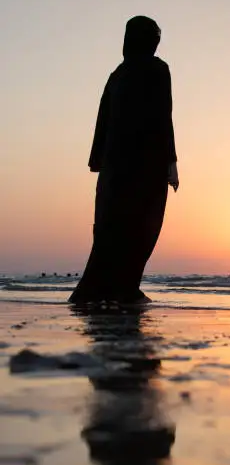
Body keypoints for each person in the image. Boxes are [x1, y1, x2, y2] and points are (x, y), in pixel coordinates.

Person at [69, 16, 178, 305]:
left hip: (116, 169)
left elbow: (102, 121)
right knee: (141, 225)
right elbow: (162, 117)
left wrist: (98, 162)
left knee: (112, 228)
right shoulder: (156, 70)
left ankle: (115, 288)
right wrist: (171, 161)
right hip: (144, 166)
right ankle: (125, 288)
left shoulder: (117, 75)